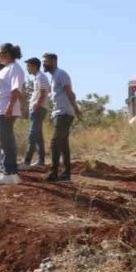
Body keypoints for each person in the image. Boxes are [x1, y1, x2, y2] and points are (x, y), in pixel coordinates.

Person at [0, 43, 28, 185]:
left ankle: (8, 172)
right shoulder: (6, 68)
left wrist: (9, 108)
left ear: (7, 53)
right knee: (6, 140)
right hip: (1, 109)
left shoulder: (15, 68)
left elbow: (16, 90)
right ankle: (11, 173)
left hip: (5, 109)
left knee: (6, 141)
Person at [43, 53, 80, 182]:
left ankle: (54, 173)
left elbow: (70, 93)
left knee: (55, 143)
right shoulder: (54, 76)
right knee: (63, 144)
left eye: (46, 61)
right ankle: (65, 175)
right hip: (59, 113)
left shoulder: (61, 74)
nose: (44, 64)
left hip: (64, 113)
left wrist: (76, 109)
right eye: (43, 62)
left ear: (54, 61)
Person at [22, 57, 51, 169]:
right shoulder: (38, 77)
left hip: (38, 110)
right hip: (38, 109)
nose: (27, 68)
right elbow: (48, 90)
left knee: (32, 136)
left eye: (28, 66)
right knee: (38, 137)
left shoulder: (40, 77)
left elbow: (43, 93)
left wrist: (37, 105)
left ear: (34, 66)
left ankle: (26, 162)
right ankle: (41, 162)